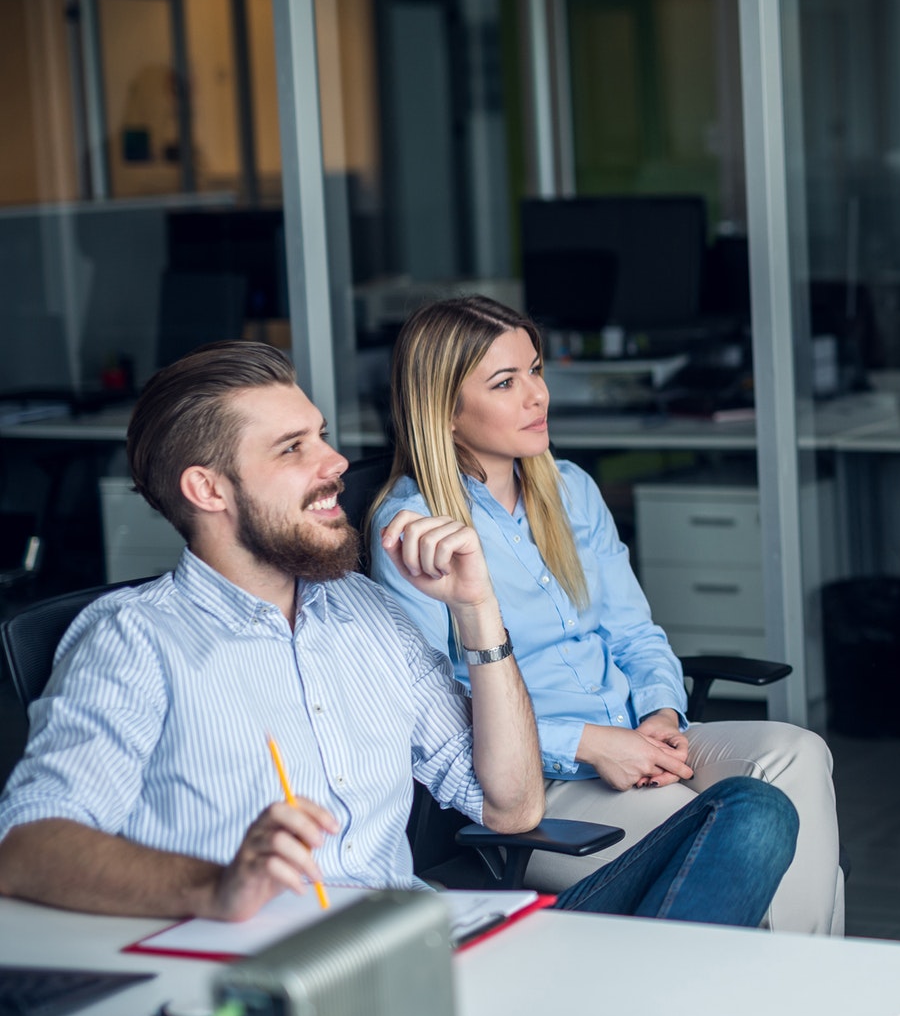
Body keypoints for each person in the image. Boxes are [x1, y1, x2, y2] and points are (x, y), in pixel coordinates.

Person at [0, 342, 796, 929]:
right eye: (294, 448)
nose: (337, 461)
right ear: (207, 487)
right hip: (288, 978)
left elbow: (512, 806)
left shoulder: (364, 615)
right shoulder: (134, 640)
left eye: (321, 435)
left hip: (433, 938)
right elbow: (27, 847)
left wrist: (477, 609)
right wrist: (213, 886)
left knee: (755, 813)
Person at [367, 296, 846, 938]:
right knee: (756, 835)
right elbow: (432, 711)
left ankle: (797, 995)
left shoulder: (569, 489)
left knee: (799, 753)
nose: (537, 395)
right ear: (445, 413)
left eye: (535, 370)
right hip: (543, 788)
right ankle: (798, 1006)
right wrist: (591, 744)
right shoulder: (416, 529)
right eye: (505, 383)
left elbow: (634, 633)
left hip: (638, 736)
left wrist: (661, 714)